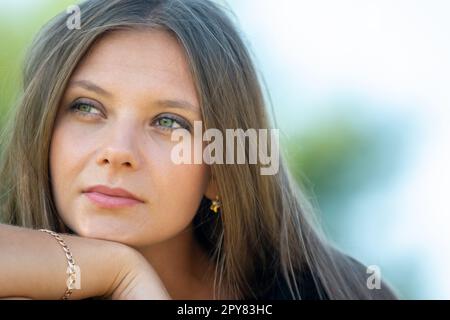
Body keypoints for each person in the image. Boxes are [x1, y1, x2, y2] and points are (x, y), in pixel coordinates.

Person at [0, 0, 397, 300]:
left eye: (169, 122)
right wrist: (117, 269)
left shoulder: (338, 291)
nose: (117, 151)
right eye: (87, 107)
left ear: (219, 172)